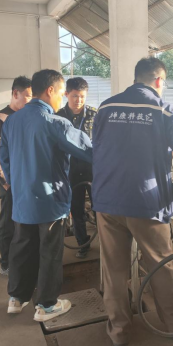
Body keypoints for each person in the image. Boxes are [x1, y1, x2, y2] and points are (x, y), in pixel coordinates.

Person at [92, 57, 173, 346]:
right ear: (158, 81)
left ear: (136, 78)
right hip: (146, 202)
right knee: (160, 265)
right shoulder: (164, 110)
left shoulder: (105, 107)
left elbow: (98, 147)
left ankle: (119, 331)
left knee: (113, 270)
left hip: (107, 200)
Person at [0, 69, 93, 323]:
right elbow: (90, 151)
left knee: (22, 247)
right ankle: (46, 305)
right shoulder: (55, 123)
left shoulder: (12, 121)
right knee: (50, 252)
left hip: (22, 200)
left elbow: (5, 160)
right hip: (50, 201)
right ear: (50, 90)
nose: (62, 98)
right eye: (62, 93)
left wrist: (19, 185)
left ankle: (17, 298)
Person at [0, 76, 32, 276]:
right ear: (15, 93)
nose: (30, 101)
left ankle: (25, 260)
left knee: (26, 225)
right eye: (28, 96)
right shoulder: (0, 119)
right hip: (11, 183)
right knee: (9, 225)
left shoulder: (29, 117)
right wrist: (6, 182)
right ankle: (6, 263)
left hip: (28, 181)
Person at [56, 77, 97, 260]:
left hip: (93, 169)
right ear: (66, 94)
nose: (78, 100)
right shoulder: (58, 116)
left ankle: (105, 241)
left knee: (99, 208)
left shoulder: (95, 115)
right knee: (76, 209)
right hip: (70, 170)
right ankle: (83, 244)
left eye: (82, 96)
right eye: (74, 96)